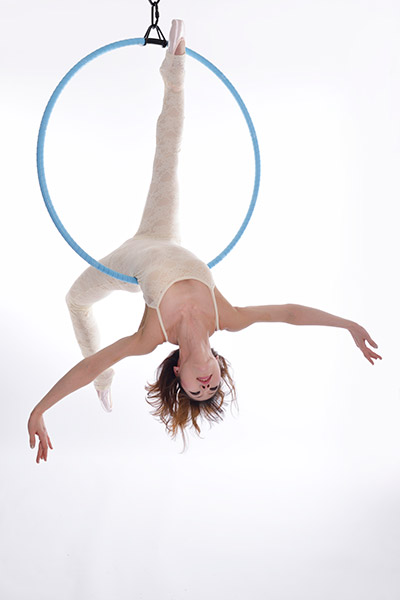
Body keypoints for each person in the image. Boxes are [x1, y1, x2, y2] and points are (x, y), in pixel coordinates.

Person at [27, 20, 382, 462]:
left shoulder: (152, 335)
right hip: (161, 232)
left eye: (196, 390)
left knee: (76, 301)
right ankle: (175, 63)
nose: (207, 386)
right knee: (169, 157)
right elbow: (289, 313)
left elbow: (90, 363)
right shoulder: (225, 317)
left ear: (179, 372)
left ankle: (106, 388)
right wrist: (347, 325)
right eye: (213, 387)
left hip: (127, 263)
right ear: (218, 366)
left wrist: (40, 409)